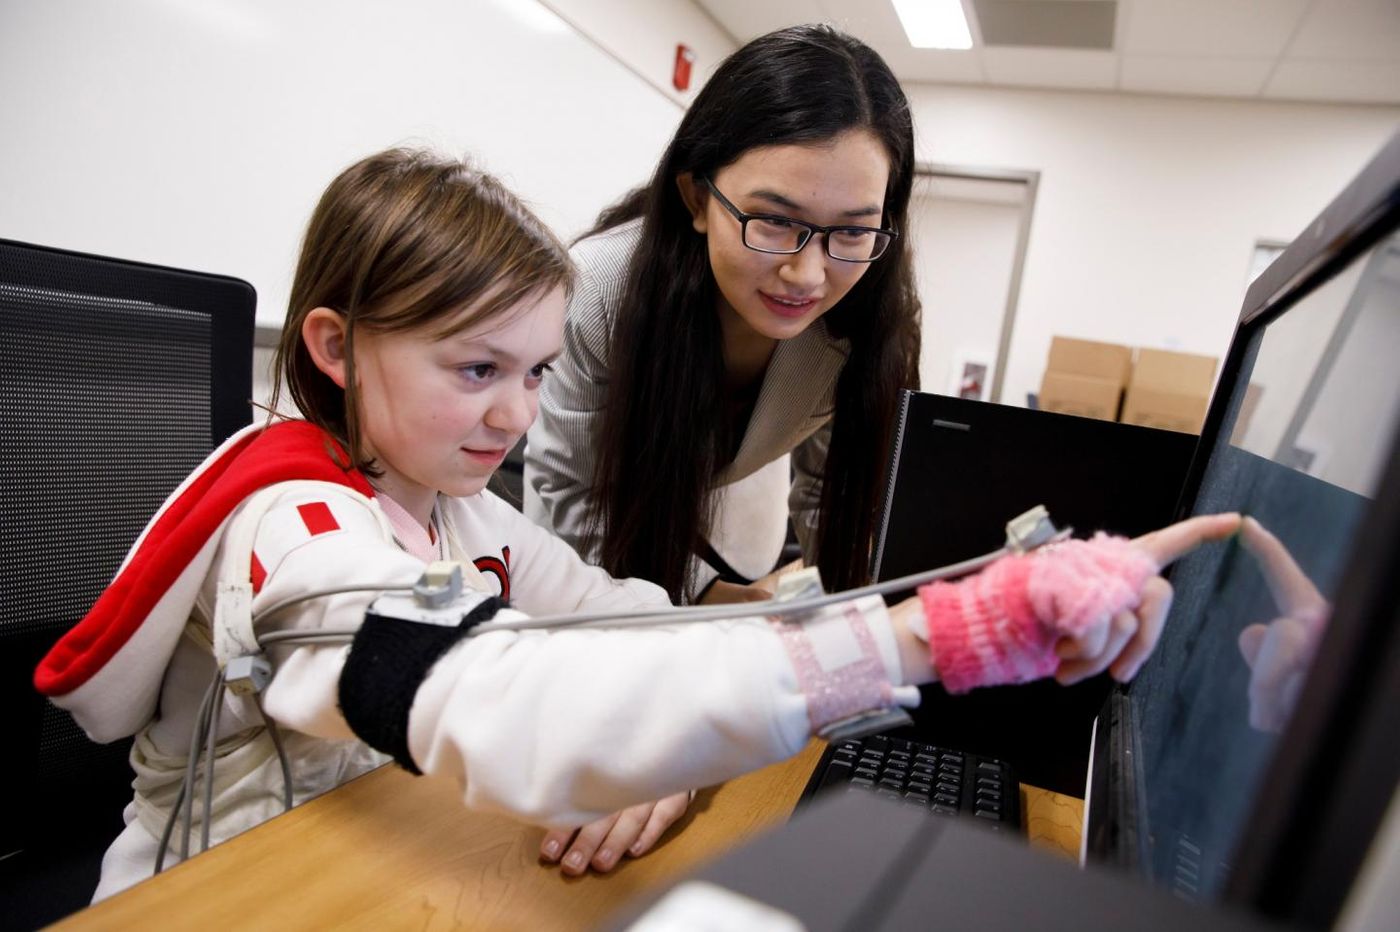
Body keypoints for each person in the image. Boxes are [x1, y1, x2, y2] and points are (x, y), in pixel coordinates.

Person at [34, 148, 1238, 902]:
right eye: (472, 370)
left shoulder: (458, 510)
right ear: (335, 347)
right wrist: (944, 635)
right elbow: (490, 700)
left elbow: (631, 626)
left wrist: (813, 635)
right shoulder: (295, 532)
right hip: (219, 895)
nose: (513, 414)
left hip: (363, 854)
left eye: (536, 370)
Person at [524, 24, 921, 607]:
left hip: (693, 518)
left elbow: (835, 500)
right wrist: (714, 598)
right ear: (697, 198)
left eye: (854, 229)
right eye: (776, 220)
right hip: (577, 524)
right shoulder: (602, 291)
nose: (808, 275)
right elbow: (572, 501)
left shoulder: (869, 316)